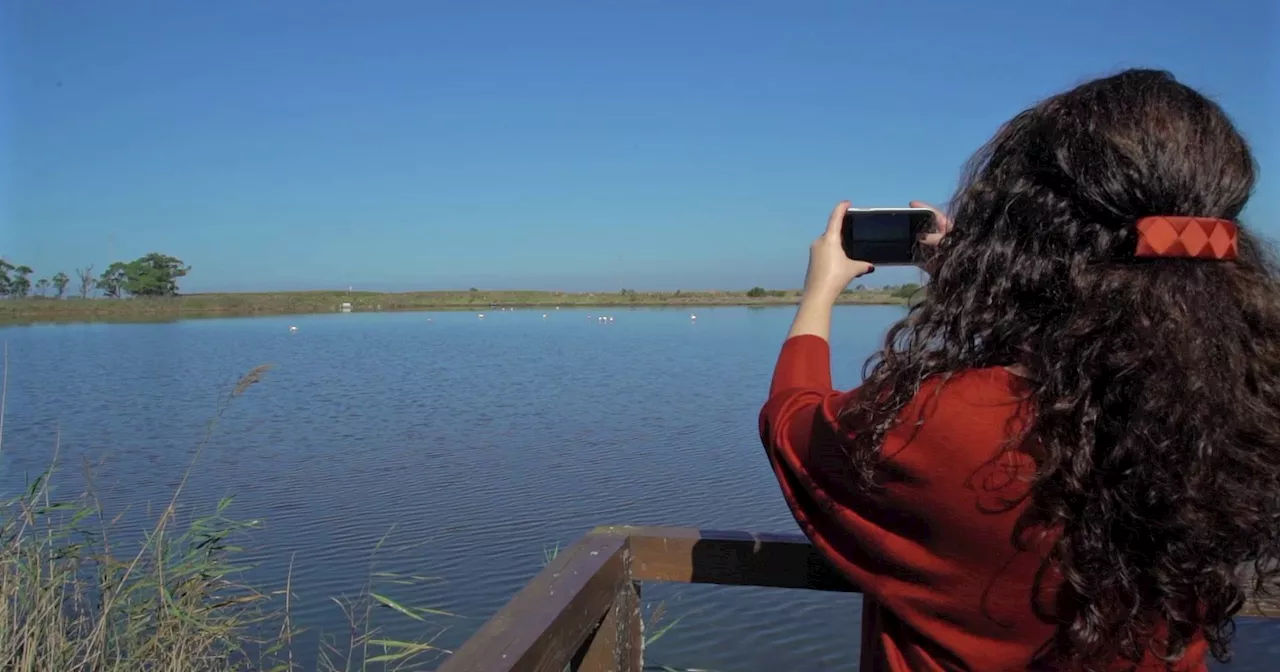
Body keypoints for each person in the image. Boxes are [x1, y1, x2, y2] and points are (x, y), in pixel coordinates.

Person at [759, 69, 1280, 671]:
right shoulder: (1241, 406)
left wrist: (819, 292)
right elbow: (1092, 357)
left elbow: (793, 426)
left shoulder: (947, 420)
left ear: (1022, 235)